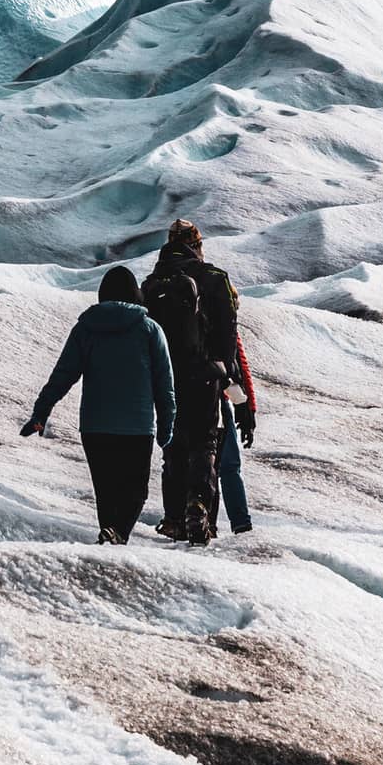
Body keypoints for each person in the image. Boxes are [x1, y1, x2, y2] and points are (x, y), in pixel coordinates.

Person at [18, 266, 175, 544]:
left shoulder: (85, 329)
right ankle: (117, 536)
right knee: (135, 492)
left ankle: (110, 536)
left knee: (107, 491)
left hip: (95, 426)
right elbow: (164, 384)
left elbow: (63, 376)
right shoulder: (150, 329)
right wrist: (166, 426)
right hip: (136, 426)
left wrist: (41, 412)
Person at [142, 219, 239, 546]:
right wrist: (224, 370)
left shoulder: (153, 282)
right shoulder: (214, 278)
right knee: (204, 441)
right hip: (204, 374)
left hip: (166, 375)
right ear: (196, 245)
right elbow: (228, 330)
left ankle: (173, 519)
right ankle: (199, 506)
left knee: (173, 443)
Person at [217, 334, 258, 536]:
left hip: (185, 395)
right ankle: (241, 524)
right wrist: (248, 408)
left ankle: (192, 522)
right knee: (229, 465)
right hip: (218, 398)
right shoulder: (223, 312)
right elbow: (240, 362)